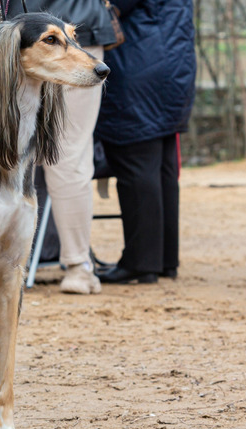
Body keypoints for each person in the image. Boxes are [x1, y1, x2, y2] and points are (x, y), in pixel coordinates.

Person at [0, 0, 116, 295]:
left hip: (27, 38)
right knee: (65, 156)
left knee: (13, 150)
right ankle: (78, 267)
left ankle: (0, 262)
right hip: (25, 41)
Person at [95, 0, 196, 284]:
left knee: (135, 164)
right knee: (162, 168)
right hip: (175, 66)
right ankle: (164, 259)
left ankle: (141, 262)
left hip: (138, 66)